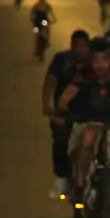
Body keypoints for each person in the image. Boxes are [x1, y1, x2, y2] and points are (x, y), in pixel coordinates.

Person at [56, 37, 110, 218]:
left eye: (104, 60)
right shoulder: (82, 78)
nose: (100, 65)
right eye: (96, 60)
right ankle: (79, 185)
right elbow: (66, 97)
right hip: (88, 124)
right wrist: (62, 109)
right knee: (88, 139)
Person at [42, 30, 91, 200]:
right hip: (65, 112)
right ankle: (61, 178)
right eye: (76, 46)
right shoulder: (61, 60)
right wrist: (47, 106)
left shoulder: (96, 62)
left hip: (91, 112)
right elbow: (50, 83)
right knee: (60, 140)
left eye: (84, 46)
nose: (80, 50)